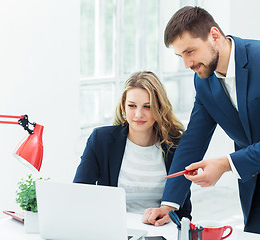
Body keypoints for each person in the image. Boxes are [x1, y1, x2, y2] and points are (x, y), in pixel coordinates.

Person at [142, 6, 260, 239]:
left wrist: (226, 164)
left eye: (190, 51)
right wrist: (170, 204)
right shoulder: (204, 82)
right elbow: (193, 141)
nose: (187, 64)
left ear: (214, 35)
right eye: (180, 56)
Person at [73, 71, 192, 219]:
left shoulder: (176, 146)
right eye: (132, 106)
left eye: (147, 106)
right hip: (115, 230)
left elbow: (184, 211)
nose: (138, 114)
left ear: (160, 108)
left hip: (160, 231)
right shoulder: (100, 140)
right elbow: (80, 193)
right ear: (123, 107)